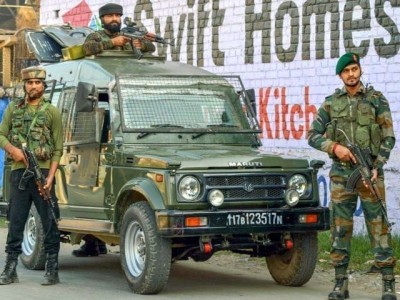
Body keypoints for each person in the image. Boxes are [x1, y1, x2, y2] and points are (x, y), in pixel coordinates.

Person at [307, 53, 396, 300]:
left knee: (378, 227)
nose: (351, 74)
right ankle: (340, 284)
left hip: (370, 173)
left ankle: (388, 284)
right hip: (341, 177)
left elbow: (389, 138)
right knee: (340, 229)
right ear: (340, 75)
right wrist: (335, 148)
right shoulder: (330, 104)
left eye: (354, 69)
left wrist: (378, 165)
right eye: (346, 71)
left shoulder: (377, 100)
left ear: (360, 70)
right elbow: (313, 135)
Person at [0, 66, 63, 285]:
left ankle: (52, 268)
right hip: (19, 173)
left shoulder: (51, 112)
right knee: (16, 220)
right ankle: (10, 268)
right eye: (30, 83)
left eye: (38, 83)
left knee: (49, 220)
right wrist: (14, 151)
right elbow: (1, 134)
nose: (34, 86)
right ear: (25, 85)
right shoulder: (13, 110)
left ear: (43, 86)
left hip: (43, 173)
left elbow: (58, 148)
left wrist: (51, 176)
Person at [82, 3, 155, 56]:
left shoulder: (128, 35)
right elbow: (86, 49)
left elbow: (152, 48)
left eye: (117, 15)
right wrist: (112, 42)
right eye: (110, 16)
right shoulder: (95, 36)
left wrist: (141, 45)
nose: (114, 19)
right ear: (102, 19)